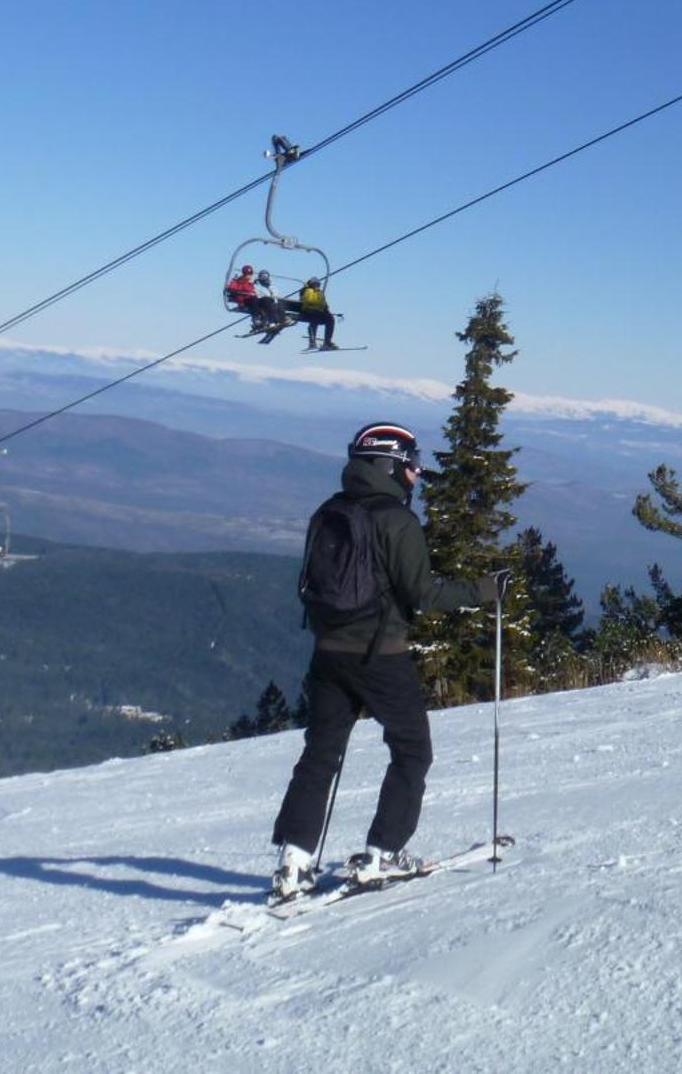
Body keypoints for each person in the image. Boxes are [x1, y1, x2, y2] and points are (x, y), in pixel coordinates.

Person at [269, 423, 498, 901]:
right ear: (388, 465)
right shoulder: (397, 521)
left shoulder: (328, 511)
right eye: (410, 464)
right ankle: (383, 854)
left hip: (328, 651)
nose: (416, 474)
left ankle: (294, 862)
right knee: (412, 749)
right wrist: (482, 592)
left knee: (320, 755)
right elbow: (423, 593)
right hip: (381, 654)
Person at [298, 276, 337, 350]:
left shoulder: (319, 292)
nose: (318, 286)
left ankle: (327, 342)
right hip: (309, 311)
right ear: (312, 284)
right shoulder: (308, 290)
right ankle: (314, 342)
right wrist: (318, 306)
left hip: (317, 312)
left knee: (330, 319)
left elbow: (324, 304)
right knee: (315, 319)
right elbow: (309, 301)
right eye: (316, 284)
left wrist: (326, 310)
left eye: (318, 284)